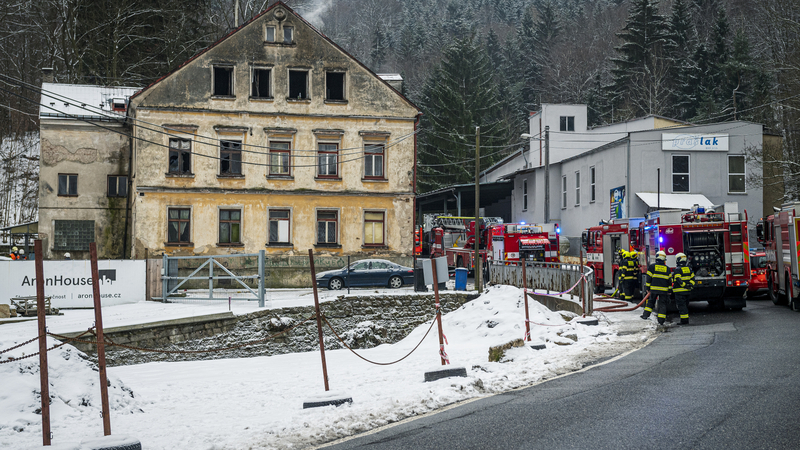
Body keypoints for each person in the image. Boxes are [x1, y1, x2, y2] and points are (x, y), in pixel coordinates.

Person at [642, 250, 671, 324]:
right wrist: (669, 290)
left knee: (651, 302)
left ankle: (645, 315)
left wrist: (647, 288)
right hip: (664, 290)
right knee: (662, 304)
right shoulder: (667, 268)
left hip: (654, 289)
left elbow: (648, 279)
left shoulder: (652, 267)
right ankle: (661, 320)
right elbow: (670, 281)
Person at [671, 252, 694, 324]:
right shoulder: (689, 269)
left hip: (679, 292)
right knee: (685, 305)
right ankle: (685, 320)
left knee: (681, 306)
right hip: (687, 291)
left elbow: (678, 279)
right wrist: (690, 285)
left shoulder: (677, 270)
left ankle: (684, 321)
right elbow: (693, 278)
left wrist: (684, 285)